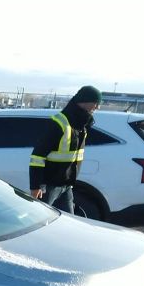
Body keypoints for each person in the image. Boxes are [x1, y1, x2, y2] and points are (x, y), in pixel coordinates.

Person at [29, 85, 102, 214]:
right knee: (40, 220)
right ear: (84, 101)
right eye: (96, 103)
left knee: (69, 224)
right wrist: (35, 186)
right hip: (49, 186)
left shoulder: (81, 125)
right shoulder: (60, 123)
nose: (97, 107)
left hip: (66, 186)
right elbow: (37, 156)